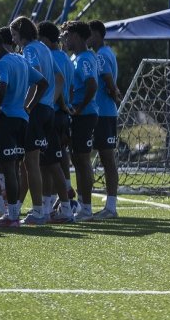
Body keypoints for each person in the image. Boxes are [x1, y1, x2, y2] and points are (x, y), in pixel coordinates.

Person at [0, 32, 47, 228]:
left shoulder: (2, 63)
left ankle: (12, 216)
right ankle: (14, 214)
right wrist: (28, 106)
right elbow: (43, 83)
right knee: (16, 168)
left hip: (7, 121)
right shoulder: (20, 60)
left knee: (9, 169)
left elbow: (2, 87)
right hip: (22, 120)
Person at [10, 16, 54, 225]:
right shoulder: (44, 47)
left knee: (31, 163)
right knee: (43, 163)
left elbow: (36, 78)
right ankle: (44, 207)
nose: (13, 39)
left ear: (22, 32)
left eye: (14, 34)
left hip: (37, 108)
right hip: (48, 108)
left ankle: (38, 211)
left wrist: (26, 106)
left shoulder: (29, 50)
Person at [39, 21, 79, 216]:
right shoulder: (66, 57)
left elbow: (59, 83)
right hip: (63, 114)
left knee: (47, 164)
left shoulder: (49, 56)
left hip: (53, 112)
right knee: (56, 157)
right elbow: (69, 86)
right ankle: (57, 203)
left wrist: (57, 103)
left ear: (45, 39)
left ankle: (57, 206)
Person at [62, 21, 100, 222]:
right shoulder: (75, 58)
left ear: (76, 36)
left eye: (67, 35)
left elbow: (92, 85)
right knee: (77, 160)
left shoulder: (85, 59)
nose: (65, 39)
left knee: (83, 161)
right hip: (78, 114)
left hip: (85, 115)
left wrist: (79, 108)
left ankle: (86, 208)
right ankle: (83, 204)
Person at [88, 20, 123, 220]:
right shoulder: (107, 53)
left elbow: (108, 80)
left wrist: (114, 92)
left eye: (90, 34)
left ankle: (110, 207)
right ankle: (107, 205)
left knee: (105, 159)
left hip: (103, 113)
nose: (88, 38)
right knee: (101, 159)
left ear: (99, 35)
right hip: (105, 113)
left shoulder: (100, 55)